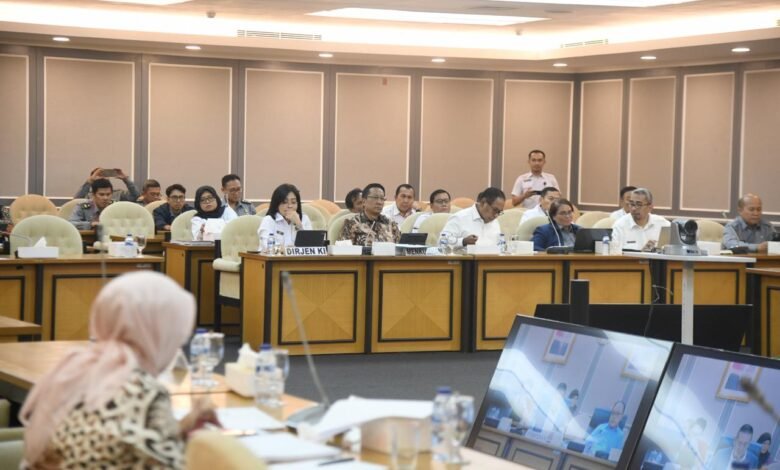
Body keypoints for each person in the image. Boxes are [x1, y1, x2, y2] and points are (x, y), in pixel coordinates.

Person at [19, 271, 218, 468]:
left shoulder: (74, 370)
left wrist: (182, 427)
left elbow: (119, 443)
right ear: (155, 332)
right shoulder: (144, 392)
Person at [440, 187, 505, 247]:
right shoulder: (460, 218)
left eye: (499, 212)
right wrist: (463, 241)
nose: (496, 215)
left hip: (491, 259)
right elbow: (441, 242)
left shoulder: (495, 222)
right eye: (495, 210)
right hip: (464, 259)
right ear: (483, 202)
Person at [258, 183, 312, 248]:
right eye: (284, 202)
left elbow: (310, 246)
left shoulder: (304, 219)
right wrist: (288, 250)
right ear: (277, 204)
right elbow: (267, 246)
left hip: (298, 258)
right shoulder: (269, 220)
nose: (290, 206)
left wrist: (299, 225)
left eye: (293, 202)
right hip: (275, 258)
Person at [74, 167, 140, 202]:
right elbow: (76, 200)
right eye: (98, 176)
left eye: (105, 175)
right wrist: (90, 181)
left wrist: (126, 180)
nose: (102, 178)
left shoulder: (118, 194)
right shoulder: (89, 195)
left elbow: (135, 196)